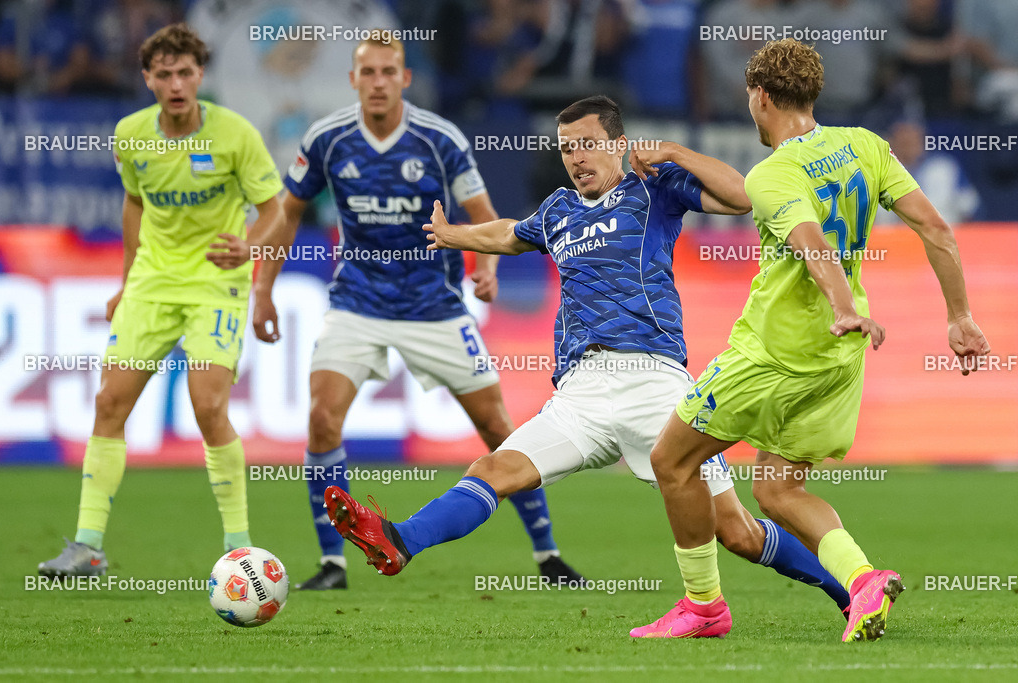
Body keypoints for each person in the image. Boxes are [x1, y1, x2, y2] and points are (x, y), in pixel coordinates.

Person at [322, 95, 853, 619]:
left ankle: (851, 590)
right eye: (566, 149)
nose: (576, 158)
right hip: (580, 394)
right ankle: (398, 540)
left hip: (655, 386)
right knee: (494, 469)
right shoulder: (558, 210)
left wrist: (677, 152)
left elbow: (742, 197)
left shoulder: (654, 189)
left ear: (619, 146)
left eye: (588, 146)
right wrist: (453, 234)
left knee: (735, 531)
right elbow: (509, 234)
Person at [641, 39, 990, 642]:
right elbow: (934, 226)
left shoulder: (773, 173)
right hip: (837, 360)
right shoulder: (865, 146)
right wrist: (959, 315)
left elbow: (811, 245)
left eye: (750, 99)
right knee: (777, 488)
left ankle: (702, 608)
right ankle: (863, 580)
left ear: (762, 96)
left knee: (671, 460)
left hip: (772, 355)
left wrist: (842, 306)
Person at [252, 35, 583, 590]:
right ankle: (333, 564)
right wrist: (262, 288)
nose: (378, 81)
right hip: (356, 303)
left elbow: (481, 213)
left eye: (389, 72)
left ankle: (548, 556)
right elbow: (287, 213)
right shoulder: (328, 139)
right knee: (321, 417)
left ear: (405, 79)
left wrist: (487, 266)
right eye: (368, 72)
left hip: (435, 307)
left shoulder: (438, 139)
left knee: (497, 427)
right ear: (353, 81)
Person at [39, 23, 284, 576]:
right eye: (164, 74)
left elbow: (274, 209)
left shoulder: (235, 134)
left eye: (185, 72)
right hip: (152, 283)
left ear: (200, 75)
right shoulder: (130, 135)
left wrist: (247, 248)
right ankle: (87, 546)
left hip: (214, 286)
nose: (176, 83)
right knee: (108, 404)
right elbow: (134, 205)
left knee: (208, 406)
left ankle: (238, 546)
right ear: (147, 77)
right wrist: (126, 282)